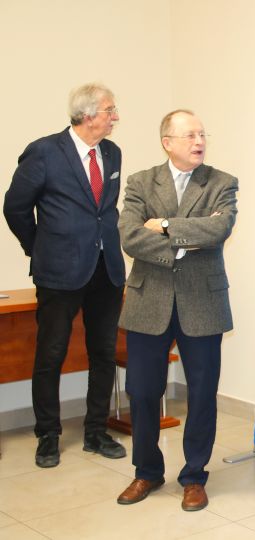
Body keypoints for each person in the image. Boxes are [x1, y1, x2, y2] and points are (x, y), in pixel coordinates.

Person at [115, 110, 238, 512]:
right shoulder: (140, 182)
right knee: (142, 391)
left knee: (202, 393)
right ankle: (147, 471)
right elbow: (130, 237)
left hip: (202, 301)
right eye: (190, 136)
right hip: (148, 300)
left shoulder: (221, 182)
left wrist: (164, 225)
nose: (199, 141)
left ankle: (194, 476)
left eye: (202, 134)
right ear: (167, 142)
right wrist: (187, 240)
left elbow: (219, 230)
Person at [3, 83, 126, 468]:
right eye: (109, 110)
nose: (115, 117)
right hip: (58, 272)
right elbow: (15, 208)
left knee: (103, 352)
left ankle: (96, 431)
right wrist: (38, 247)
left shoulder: (112, 152)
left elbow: (104, 212)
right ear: (87, 115)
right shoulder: (44, 152)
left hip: (106, 270)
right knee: (51, 353)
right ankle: (48, 434)